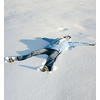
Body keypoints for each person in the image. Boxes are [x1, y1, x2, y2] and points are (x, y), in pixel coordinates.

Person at [8, 35, 95, 72]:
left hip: (56, 51)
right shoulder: (57, 38)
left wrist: (89, 44)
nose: (66, 37)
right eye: (66, 36)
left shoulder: (69, 43)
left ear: (69, 39)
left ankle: (47, 68)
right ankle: (18, 58)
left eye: (68, 37)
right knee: (34, 52)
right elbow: (49, 40)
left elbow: (79, 43)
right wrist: (43, 38)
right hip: (47, 48)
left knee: (51, 58)